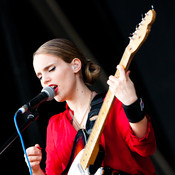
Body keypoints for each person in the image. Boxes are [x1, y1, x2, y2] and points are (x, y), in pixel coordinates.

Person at [25, 38, 156, 175]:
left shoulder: (112, 104)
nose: (45, 80)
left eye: (51, 69)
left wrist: (131, 103)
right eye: (40, 76)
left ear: (75, 65)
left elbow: (145, 147)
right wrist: (36, 171)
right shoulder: (55, 126)